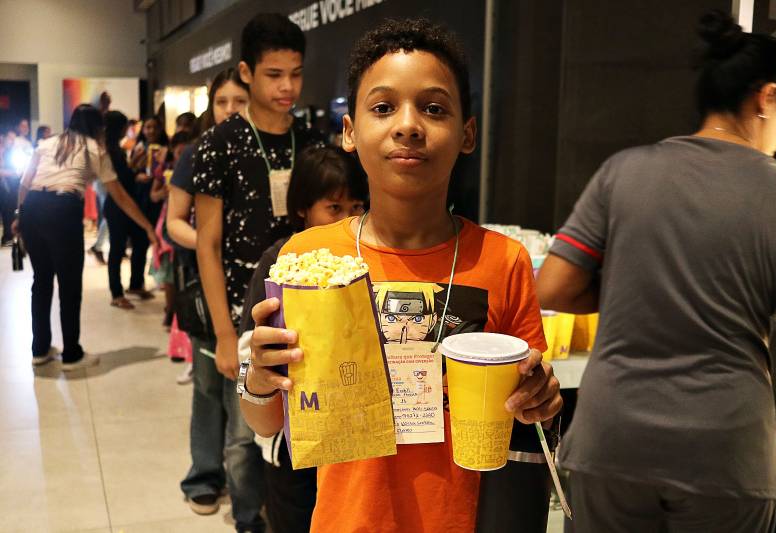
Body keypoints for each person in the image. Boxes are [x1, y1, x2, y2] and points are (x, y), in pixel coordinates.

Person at [240, 18, 562, 532]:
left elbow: (530, 412)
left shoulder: (502, 261)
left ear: (467, 133)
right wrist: (258, 377)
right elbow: (266, 422)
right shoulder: (307, 258)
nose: (408, 124)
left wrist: (540, 397)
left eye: (434, 108)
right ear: (350, 131)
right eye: (383, 107)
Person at [535, 11, 776, 533]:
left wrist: (634, 286)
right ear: (767, 98)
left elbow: (555, 286)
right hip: (726, 455)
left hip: (610, 443)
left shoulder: (625, 170)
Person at [238, 145, 368, 532]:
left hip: (353, 442)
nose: (347, 219)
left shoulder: (364, 263)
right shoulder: (278, 261)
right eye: (333, 208)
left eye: (356, 207)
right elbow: (251, 349)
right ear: (301, 209)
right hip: (291, 444)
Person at [194, 13, 324, 394]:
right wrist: (223, 334)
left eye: (296, 73)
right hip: (241, 310)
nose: (288, 86)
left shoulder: (313, 141)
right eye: (274, 74)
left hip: (308, 307)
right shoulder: (218, 144)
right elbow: (208, 242)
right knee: (241, 438)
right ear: (247, 72)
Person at [168, 68, 266, 527]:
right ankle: (203, 476)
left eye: (239, 101)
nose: (231, 109)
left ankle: (245, 486)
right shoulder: (199, 152)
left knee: (246, 396)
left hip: (251, 291)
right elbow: (174, 221)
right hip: (209, 293)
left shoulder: (259, 151)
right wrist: (211, 243)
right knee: (209, 390)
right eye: (223, 101)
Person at [14, 104, 157, 368]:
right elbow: (120, 196)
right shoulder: (94, 148)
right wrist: (147, 226)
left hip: (33, 206)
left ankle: (40, 349)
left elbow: (25, 183)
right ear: (97, 127)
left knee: (41, 280)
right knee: (69, 285)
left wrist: (18, 216)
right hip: (62, 207)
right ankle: (71, 354)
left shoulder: (47, 143)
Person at [103, 111, 157, 310]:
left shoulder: (116, 149)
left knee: (140, 241)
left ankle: (135, 284)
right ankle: (116, 293)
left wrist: (133, 167)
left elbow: (123, 176)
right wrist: (134, 171)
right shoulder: (108, 151)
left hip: (126, 203)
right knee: (117, 249)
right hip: (118, 206)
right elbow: (118, 183)